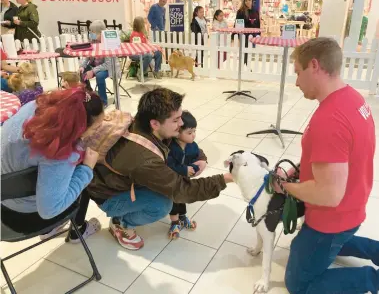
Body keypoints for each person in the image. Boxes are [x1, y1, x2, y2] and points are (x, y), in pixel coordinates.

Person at [275, 37, 378, 294]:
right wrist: (298, 170)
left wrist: (286, 185)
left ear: (314, 66)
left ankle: (371, 280)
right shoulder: (352, 98)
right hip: (352, 206)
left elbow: (328, 195)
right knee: (308, 246)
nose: (296, 81)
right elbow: (337, 155)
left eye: (298, 72)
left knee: (299, 285)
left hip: (332, 219)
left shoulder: (329, 119)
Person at [86, 88, 234, 250]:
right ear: (155, 123)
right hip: (108, 195)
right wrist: (225, 178)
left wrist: (201, 159)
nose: (181, 124)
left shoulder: (143, 125)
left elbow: (186, 144)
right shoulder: (144, 159)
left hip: (113, 180)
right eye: (176, 120)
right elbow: (182, 190)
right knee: (162, 205)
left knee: (171, 178)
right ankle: (120, 223)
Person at [1, 87, 104, 241]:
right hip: (21, 215)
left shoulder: (34, 106)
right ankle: (78, 230)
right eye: (96, 127)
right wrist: (87, 169)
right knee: (85, 173)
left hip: (5, 195)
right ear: (80, 128)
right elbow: (49, 210)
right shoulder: (60, 151)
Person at [167, 111, 204, 239]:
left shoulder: (192, 146)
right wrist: (183, 170)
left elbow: (195, 159)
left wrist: (194, 168)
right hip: (172, 180)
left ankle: (182, 217)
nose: (193, 135)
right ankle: (174, 222)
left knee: (183, 198)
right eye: (189, 132)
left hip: (184, 179)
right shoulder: (171, 147)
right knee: (174, 200)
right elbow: (168, 164)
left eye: (194, 131)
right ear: (177, 133)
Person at [79, 20, 120, 107]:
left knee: (99, 76)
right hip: (96, 65)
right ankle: (88, 94)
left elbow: (108, 64)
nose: (91, 34)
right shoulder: (92, 41)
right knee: (82, 72)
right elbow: (87, 56)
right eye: (91, 32)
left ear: (100, 33)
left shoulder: (108, 43)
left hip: (108, 68)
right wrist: (82, 66)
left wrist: (93, 71)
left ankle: (103, 101)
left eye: (93, 32)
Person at [130, 16, 163, 81]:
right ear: (140, 24)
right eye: (143, 22)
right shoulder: (135, 34)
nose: (144, 24)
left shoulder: (142, 33)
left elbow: (146, 44)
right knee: (149, 55)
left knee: (158, 52)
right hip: (135, 53)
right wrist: (149, 51)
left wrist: (152, 49)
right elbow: (137, 47)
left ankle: (156, 71)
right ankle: (140, 73)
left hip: (144, 51)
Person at [236, 0, 260, 65]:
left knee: (250, 50)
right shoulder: (241, 11)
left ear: (252, 1)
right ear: (244, 2)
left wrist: (258, 33)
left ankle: (247, 64)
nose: (247, 2)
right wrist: (236, 34)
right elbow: (237, 23)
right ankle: (245, 65)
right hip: (244, 35)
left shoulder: (255, 11)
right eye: (246, 0)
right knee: (245, 50)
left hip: (253, 35)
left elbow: (258, 23)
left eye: (249, 0)